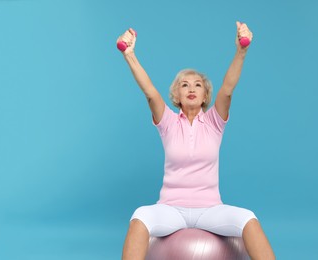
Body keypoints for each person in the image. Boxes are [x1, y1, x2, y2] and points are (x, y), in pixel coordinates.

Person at [117, 22, 275, 260]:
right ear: (177, 96)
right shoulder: (168, 123)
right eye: (185, 85)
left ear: (204, 96)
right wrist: (129, 55)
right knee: (139, 217)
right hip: (170, 209)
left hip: (210, 209)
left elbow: (228, 89)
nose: (191, 88)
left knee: (248, 218)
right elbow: (149, 91)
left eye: (197, 85)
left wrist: (241, 51)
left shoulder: (214, 122)